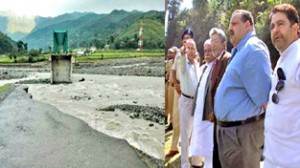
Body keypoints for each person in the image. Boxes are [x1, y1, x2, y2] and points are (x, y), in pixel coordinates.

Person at [214, 9, 272, 168]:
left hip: (242, 134)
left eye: (234, 24)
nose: (230, 29)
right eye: (229, 24)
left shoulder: (253, 49)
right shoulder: (241, 50)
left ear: (248, 25)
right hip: (233, 134)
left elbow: (266, 100)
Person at [264, 4, 300, 167]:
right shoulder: (284, 58)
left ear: (295, 28)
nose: (275, 30)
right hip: (274, 157)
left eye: (280, 24)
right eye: (272, 26)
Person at [166, 28, 194, 159]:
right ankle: (173, 147)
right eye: (184, 38)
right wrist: (176, 83)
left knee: (188, 122)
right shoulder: (177, 53)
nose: (186, 40)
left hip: (189, 93)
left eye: (188, 38)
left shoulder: (194, 53)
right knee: (176, 119)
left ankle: (188, 148)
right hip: (177, 90)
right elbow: (173, 70)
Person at [190, 39, 216, 168]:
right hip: (199, 117)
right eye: (205, 51)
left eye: (210, 50)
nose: (207, 54)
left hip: (210, 118)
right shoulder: (202, 68)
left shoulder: (218, 68)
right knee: (200, 149)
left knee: (210, 150)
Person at [208, 28, 231, 168]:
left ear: (224, 44)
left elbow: (223, 90)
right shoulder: (217, 61)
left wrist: (215, 110)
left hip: (223, 118)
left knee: (221, 155)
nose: (213, 45)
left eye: (216, 41)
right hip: (217, 117)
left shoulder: (227, 59)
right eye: (211, 42)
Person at [178, 38, 203, 168]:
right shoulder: (183, 64)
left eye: (193, 48)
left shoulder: (197, 65)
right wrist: (182, 54)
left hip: (196, 103)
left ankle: (195, 160)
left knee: (195, 133)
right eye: (188, 48)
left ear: (196, 50)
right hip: (186, 101)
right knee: (185, 134)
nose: (190, 51)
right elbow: (181, 61)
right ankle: (184, 164)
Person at [165, 47, 176, 131]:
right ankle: (167, 118)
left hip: (175, 86)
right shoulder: (169, 63)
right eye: (169, 53)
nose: (170, 54)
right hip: (169, 85)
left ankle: (172, 122)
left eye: (171, 53)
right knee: (168, 103)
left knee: (173, 105)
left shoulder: (178, 63)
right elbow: (167, 74)